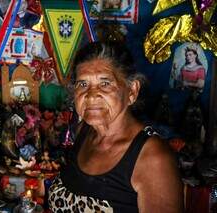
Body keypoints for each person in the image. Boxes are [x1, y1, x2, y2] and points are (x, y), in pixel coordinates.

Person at [48, 41, 184, 212]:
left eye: (105, 84)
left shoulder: (153, 159)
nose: (90, 96)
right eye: (83, 84)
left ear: (132, 91)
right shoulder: (84, 131)